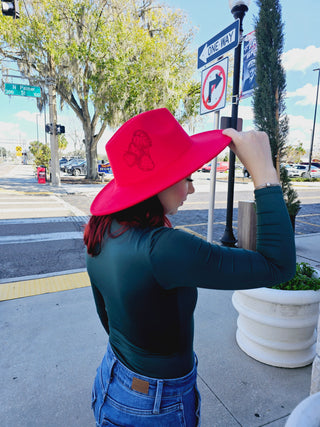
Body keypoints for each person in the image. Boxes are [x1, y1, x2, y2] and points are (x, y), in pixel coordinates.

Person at [84, 108, 296, 427]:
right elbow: (278, 265)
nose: (192, 189)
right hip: (154, 403)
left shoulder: (101, 229)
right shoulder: (166, 248)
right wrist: (264, 171)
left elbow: (107, 317)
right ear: (160, 184)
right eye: (187, 177)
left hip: (112, 378)